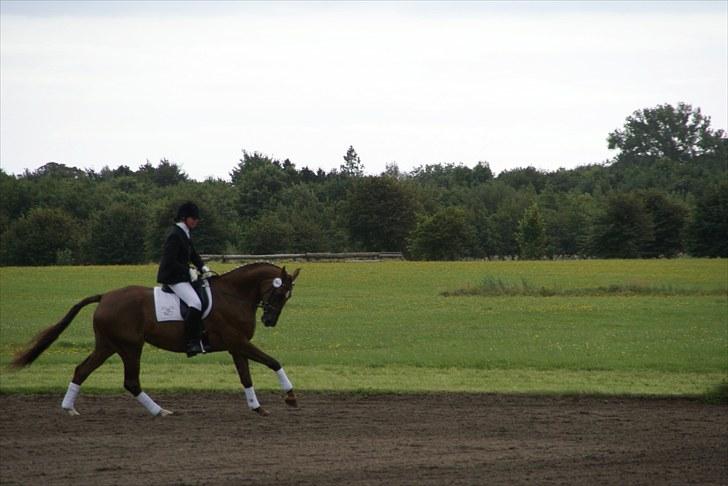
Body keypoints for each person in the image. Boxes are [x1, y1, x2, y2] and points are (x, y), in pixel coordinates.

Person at [157, 202, 212, 357]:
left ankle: (203, 336)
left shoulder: (185, 232)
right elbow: (170, 261)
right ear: (184, 218)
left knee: (204, 293)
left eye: (197, 218)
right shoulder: (175, 234)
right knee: (195, 303)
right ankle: (191, 341)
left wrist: (203, 268)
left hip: (182, 276)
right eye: (193, 218)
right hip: (173, 278)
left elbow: (193, 254)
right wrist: (188, 271)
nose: (196, 221)